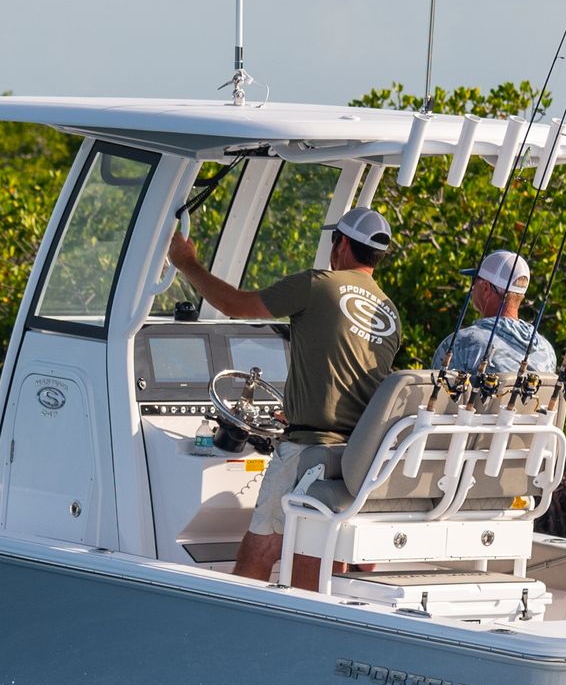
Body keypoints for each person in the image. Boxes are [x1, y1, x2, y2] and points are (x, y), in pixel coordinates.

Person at [165, 203, 402, 581]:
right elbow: (354, 377)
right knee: (321, 554)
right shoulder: (389, 312)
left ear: (340, 245)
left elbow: (232, 305)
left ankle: (234, 633)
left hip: (307, 448)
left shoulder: (318, 284)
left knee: (260, 549)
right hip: (355, 455)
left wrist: (186, 263)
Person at [431, 248, 558, 381]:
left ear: (486, 288)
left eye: (475, 280)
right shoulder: (547, 350)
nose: (472, 287)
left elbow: (435, 396)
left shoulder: (460, 343)